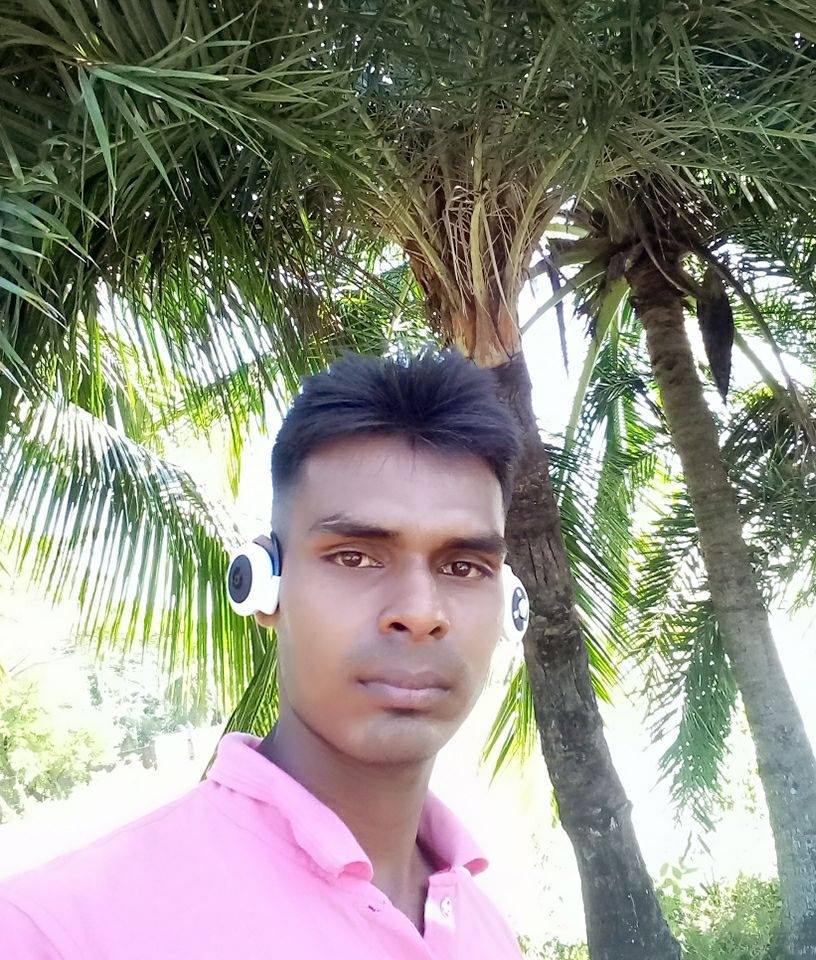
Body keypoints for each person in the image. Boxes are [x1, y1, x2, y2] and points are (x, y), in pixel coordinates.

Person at [0, 347, 527, 959]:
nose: (420, 611)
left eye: (464, 566)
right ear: (263, 582)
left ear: (510, 603)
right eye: (355, 557)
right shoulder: (59, 931)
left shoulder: (489, 932)